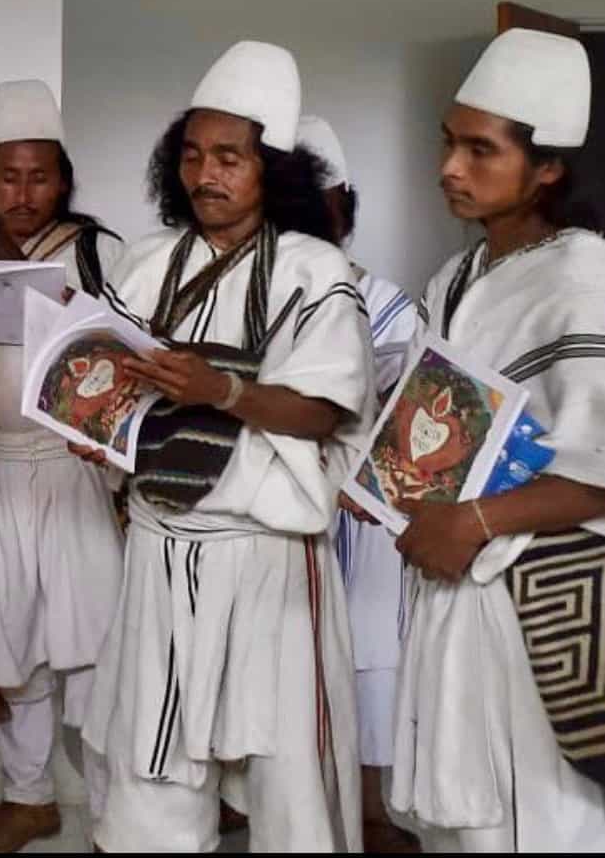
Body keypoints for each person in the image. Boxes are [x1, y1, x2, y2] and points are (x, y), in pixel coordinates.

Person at [83, 40, 376, 852]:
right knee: (152, 770)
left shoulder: (315, 271)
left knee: (291, 783)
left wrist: (223, 391)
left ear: (270, 171)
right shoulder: (144, 263)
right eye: (190, 155)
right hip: (157, 545)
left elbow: (325, 412)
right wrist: (95, 431)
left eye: (227, 158)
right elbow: (106, 383)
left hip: (265, 554)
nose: (204, 175)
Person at [390, 27, 605, 850]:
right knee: (464, 822)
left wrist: (473, 521)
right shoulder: (454, 276)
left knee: (540, 818)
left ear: (547, 166)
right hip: (452, 583)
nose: (450, 167)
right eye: (448, 142)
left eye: (480, 150)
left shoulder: (582, 279)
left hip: (538, 598)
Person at [0, 79, 125, 852]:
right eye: (6, 177)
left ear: (62, 179)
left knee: (93, 643)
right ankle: (28, 796)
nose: (22, 193)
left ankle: (117, 812)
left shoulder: (100, 253)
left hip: (72, 469)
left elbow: (136, 361)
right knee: (10, 642)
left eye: (38, 176)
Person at [297, 113, 423, 853]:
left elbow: (415, 407)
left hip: (366, 508)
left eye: (324, 206)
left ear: (345, 207)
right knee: (284, 655)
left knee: (369, 658)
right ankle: (262, 798)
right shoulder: (264, 291)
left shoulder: (388, 302)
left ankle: (371, 810)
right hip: (285, 504)